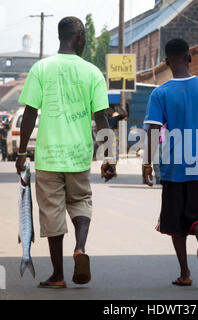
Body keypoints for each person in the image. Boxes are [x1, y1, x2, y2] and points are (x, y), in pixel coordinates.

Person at [15, 16, 116, 289]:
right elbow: (101, 118)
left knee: (52, 212)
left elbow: (29, 113)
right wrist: (108, 156)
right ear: (80, 37)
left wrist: (22, 152)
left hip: (48, 155)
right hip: (80, 155)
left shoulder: (41, 68)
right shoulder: (92, 72)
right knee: (81, 201)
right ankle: (80, 248)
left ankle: (58, 275)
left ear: (61, 37)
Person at [143, 39, 198, 286]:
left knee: (176, 223)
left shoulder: (159, 93)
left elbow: (152, 129)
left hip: (174, 167)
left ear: (166, 61)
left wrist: (147, 163)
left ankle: (185, 273)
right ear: (189, 57)